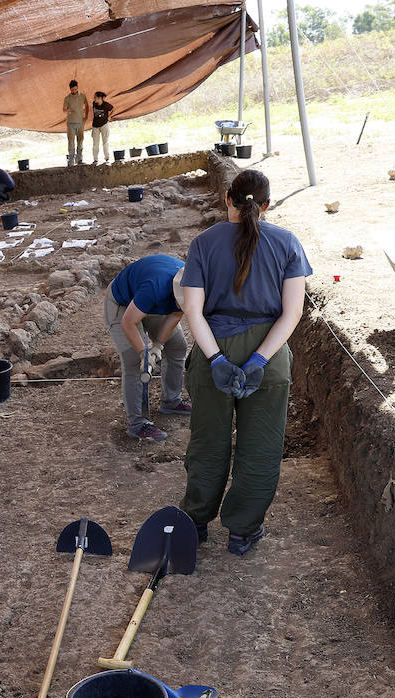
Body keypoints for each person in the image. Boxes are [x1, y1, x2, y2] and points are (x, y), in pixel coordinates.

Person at [178, 169, 310, 557]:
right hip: (267, 356)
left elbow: (192, 311)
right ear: (266, 205)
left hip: (211, 348)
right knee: (261, 446)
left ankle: (196, 522)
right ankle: (242, 532)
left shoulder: (203, 243)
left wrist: (217, 358)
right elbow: (292, 314)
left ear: (226, 199)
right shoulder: (287, 243)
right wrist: (258, 359)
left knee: (208, 441)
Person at [107, 255, 191, 441]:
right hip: (122, 303)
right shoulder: (156, 287)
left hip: (151, 304)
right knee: (134, 360)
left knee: (177, 346)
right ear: (176, 294)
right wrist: (143, 353)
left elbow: (176, 314)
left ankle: (171, 401)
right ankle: (137, 423)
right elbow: (128, 322)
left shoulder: (191, 282)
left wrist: (158, 346)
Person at [63, 80, 89, 166]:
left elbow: (87, 105)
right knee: (71, 142)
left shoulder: (82, 96)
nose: (74, 91)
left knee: (80, 141)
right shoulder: (67, 98)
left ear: (77, 87)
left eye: (75, 89)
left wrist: (86, 116)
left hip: (80, 122)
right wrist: (67, 110)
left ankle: (79, 159)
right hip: (70, 123)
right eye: (72, 90)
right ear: (70, 89)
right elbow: (64, 109)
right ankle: (71, 161)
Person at [90, 91, 114, 165]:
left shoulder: (106, 105)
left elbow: (112, 109)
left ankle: (107, 158)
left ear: (100, 98)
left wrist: (109, 116)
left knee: (105, 142)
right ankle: (95, 159)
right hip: (95, 126)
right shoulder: (94, 104)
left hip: (104, 124)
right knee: (95, 143)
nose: (94, 99)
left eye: (95, 97)